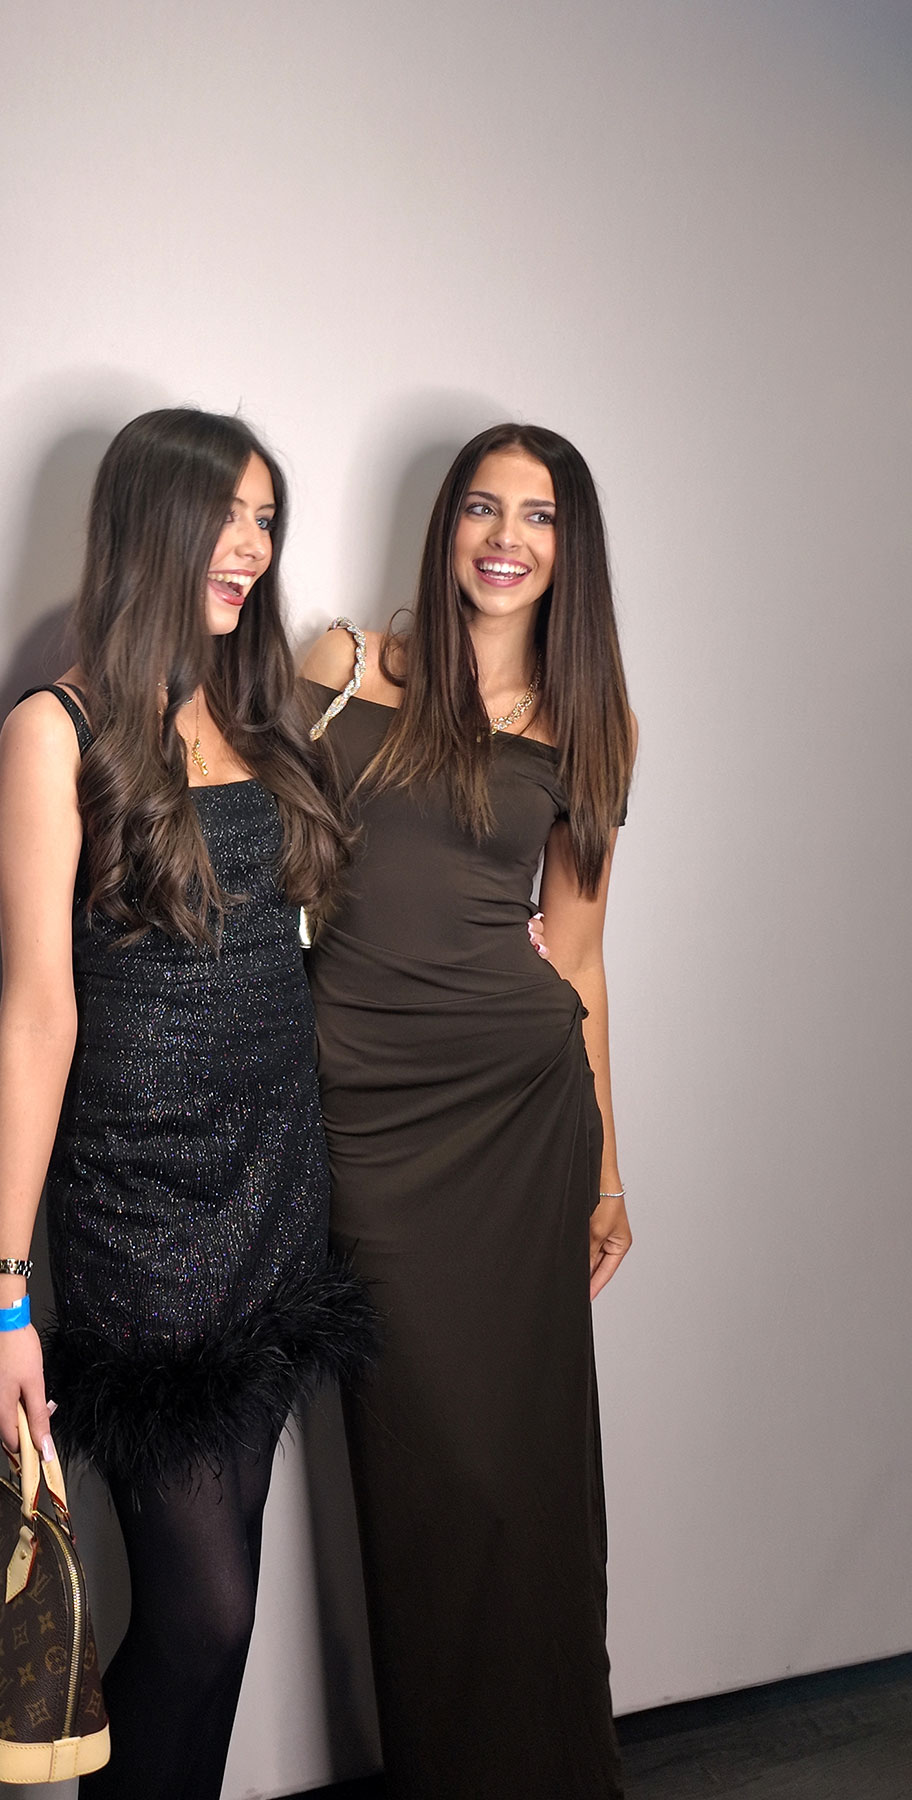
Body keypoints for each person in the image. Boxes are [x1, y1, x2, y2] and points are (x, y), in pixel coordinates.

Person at [0, 407, 375, 1800]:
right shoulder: (54, 732)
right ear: (147, 522)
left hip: (277, 1195)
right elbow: (35, 1017)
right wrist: (3, 1294)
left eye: (268, 517)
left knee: (228, 1614)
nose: (252, 548)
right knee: (199, 1617)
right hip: (143, 1216)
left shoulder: (255, 708)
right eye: (226, 516)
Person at [302, 421, 636, 1798]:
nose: (508, 538)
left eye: (540, 515)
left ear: (571, 550)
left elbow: (585, 957)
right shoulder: (340, 671)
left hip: (521, 1118)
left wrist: (612, 1171)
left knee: (528, 1482)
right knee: (425, 1475)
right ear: (446, 530)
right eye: (483, 509)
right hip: (364, 1117)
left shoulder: (591, 727)